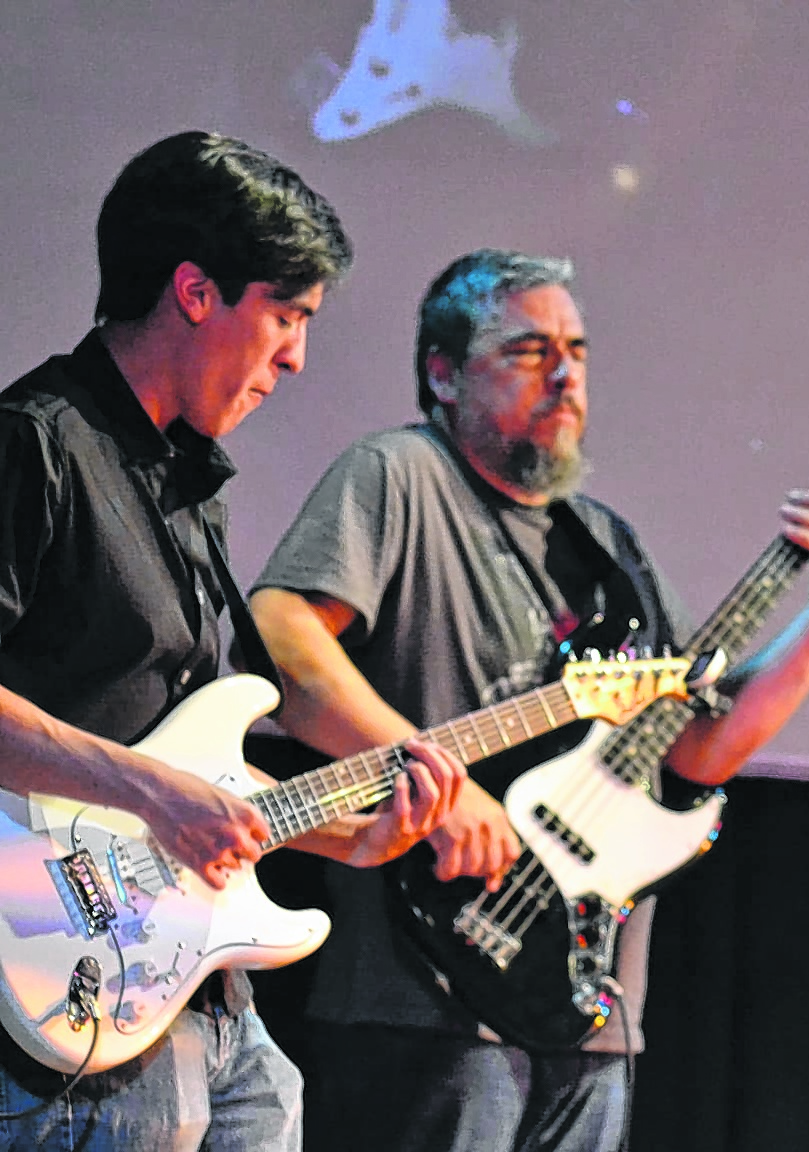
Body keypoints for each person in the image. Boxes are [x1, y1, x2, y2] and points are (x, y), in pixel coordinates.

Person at [247, 247, 809, 1152]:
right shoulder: (400, 474)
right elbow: (282, 640)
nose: (566, 375)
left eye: (575, 350)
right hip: (422, 1000)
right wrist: (439, 784)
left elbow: (695, 750)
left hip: (591, 1009)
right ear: (443, 373)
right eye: (528, 350)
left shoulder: (607, 544)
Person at [0, 132, 465, 1152]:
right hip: (61, 991)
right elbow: (160, 786)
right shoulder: (33, 442)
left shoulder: (187, 484)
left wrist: (355, 839)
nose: (295, 357)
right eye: (287, 315)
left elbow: (192, 769)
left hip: (201, 995)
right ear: (196, 292)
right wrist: (151, 793)